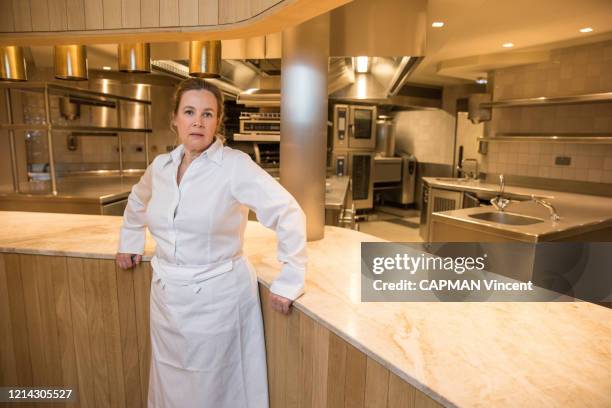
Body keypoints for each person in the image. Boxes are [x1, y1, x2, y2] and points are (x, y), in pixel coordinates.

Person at [115, 77, 307, 408]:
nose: (198, 122)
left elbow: (288, 211)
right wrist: (130, 240)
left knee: (214, 392)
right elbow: (137, 200)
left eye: (208, 114)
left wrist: (290, 278)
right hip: (166, 299)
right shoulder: (161, 166)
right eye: (189, 112)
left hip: (217, 301)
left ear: (218, 121)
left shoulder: (234, 166)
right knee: (170, 386)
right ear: (174, 118)